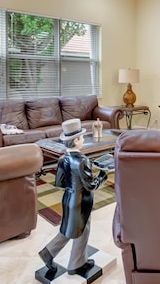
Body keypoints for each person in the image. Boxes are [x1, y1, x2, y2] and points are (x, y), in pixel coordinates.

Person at [38, 118, 108, 276]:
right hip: (81, 202)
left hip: (68, 199)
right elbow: (90, 185)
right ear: (76, 140)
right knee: (83, 230)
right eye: (82, 137)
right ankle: (77, 264)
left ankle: (48, 253)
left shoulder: (63, 159)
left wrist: (73, 184)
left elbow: (59, 182)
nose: (83, 140)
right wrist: (103, 174)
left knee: (68, 229)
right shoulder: (82, 161)